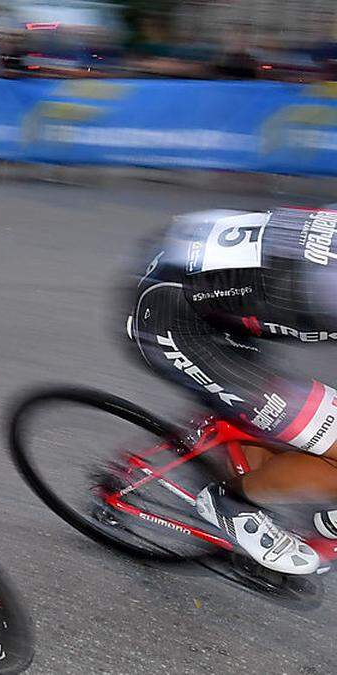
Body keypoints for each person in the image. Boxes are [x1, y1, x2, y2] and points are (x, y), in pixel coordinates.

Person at [128, 207, 337, 575]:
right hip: (175, 320)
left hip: (207, 282)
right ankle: (232, 504)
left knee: (289, 423)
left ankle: (242, 448)